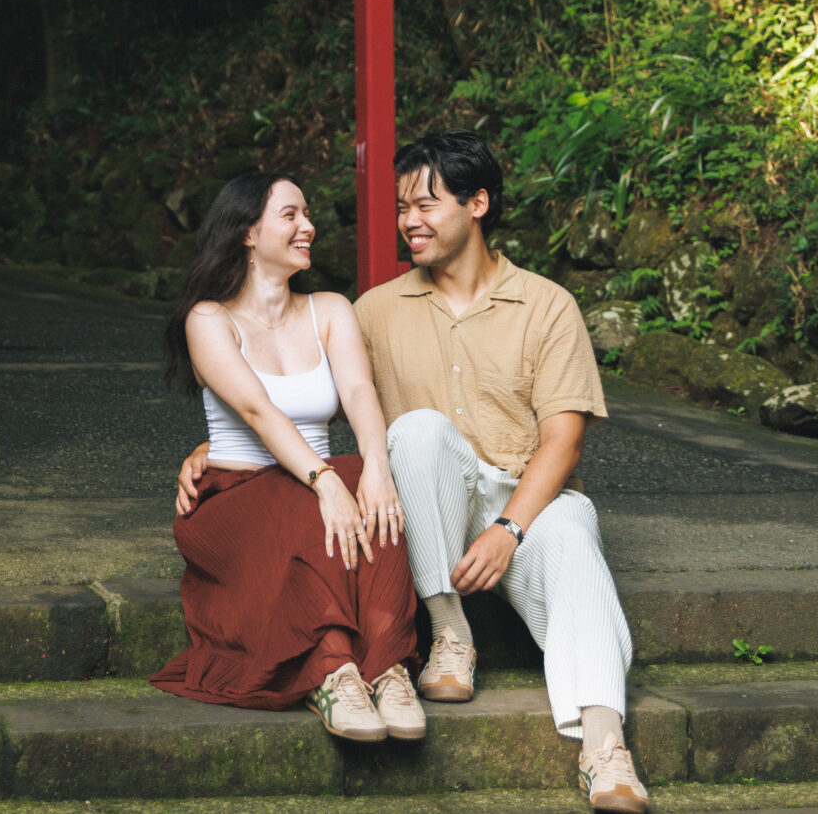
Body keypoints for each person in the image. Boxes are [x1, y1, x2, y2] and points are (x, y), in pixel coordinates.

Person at [177, 132, 648, 813]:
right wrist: (207, 450)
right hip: (428, 511)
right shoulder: (373, 310)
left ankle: (606, 749)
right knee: (420, 431)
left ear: (477, 203)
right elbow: (285, 395)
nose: (408, 221)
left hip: (526, 503)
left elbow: (564, 442)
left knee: (575, 538)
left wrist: (510, 528)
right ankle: (449, 633)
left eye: (425, 204)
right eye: (401, 206)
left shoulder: (547, 306)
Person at [151, 171, 428, 742]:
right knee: (318, 492)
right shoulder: (209, 318)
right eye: (291, 215)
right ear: (248, 233)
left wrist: (375, 468)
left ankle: (389, 667)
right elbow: (256, 410)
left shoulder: (329, 309)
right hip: (235, 500)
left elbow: (357, 393)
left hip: (311, 489)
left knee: (374, 491)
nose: (309, 226)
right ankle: (333, 672)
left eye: (307, 214)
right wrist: (324, 481)